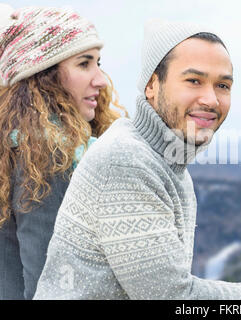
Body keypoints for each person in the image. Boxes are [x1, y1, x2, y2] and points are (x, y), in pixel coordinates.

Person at [34, 19, 241, 300]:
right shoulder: (126, 160)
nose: (210, 99)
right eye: (194, 81)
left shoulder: (167, 161)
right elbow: (172, 296)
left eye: (222, 85)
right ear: (152, 86)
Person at [0, 5, 126, 300]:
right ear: (45, 77)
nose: (101, 80)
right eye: (84, 64)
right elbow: (50, 285)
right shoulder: (47, 156)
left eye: (98, 63)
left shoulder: (16, 148)